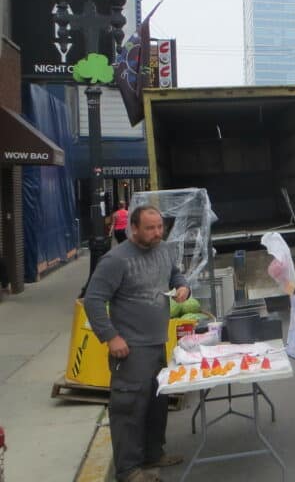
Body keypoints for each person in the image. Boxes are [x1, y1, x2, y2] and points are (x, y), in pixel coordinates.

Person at [83, 206, 190, 482]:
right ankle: (128, 470)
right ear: (133, 228)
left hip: (157, 343)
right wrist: (110, 336)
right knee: (129, 409)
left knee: (157, 402)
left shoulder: (164, 250)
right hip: (130, 349)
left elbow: (175, 274)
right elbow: (93, 300)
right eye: (150, 228)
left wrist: (182, 287)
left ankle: (153, 454)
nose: (157, 233)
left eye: (159, 227)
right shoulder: (115, 260)